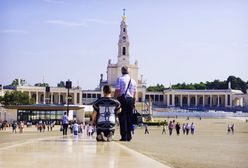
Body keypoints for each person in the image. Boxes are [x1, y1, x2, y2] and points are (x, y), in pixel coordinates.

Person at [114, 66, 137, 141]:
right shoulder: (133, 81)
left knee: (122, 118)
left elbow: (117, 90)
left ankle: (124, 136)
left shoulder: (120, 79)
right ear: (128, 71)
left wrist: (114, 99)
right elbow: (134, 94)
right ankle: (129, 136)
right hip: (130, 100)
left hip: (122, 99)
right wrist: (134, 103)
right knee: (129, 118)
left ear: (122, 71)